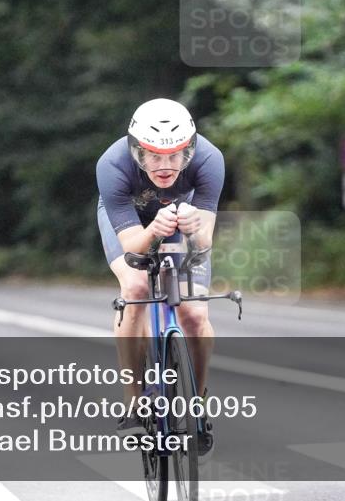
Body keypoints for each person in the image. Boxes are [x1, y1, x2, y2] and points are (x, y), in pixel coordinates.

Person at [95, 98, 224, 460]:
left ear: (190, 150)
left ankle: (198, 405)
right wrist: (153, 230)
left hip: (185, 215)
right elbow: (134, 247)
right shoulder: (112, 165)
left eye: (175, 155)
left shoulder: (210, 160)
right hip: (131, 223)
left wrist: (195, 230)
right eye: (154, 155)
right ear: (137, 151)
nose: (165, 166)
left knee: (195, 315)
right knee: (135, 287)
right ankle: (134, 402)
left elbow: (205, 241)